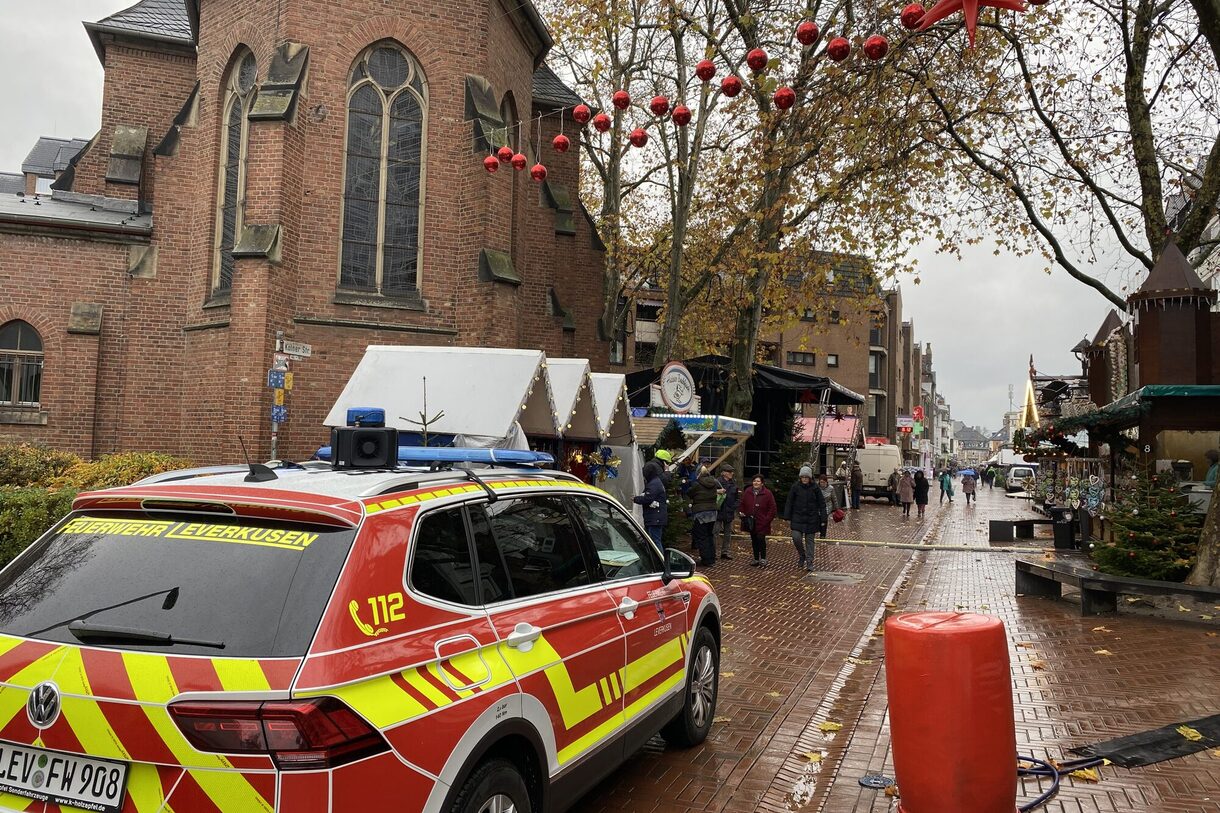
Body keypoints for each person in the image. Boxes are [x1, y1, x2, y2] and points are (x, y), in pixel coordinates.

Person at [784, 465, 827, 572]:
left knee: (810, 541)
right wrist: (787, 516)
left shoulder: (815, 488)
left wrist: (823, 518)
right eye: (802, 477)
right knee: (796, 537)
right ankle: (802, 554)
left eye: (806, 477)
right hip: (797, 517)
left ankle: (809, 561)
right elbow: (789, 501)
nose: (804, 479)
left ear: (810, 478)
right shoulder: (795, 487)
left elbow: (822, 504)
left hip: (812, 519)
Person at [687, 465, 722, 566]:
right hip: (712, 512)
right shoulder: (714, 482)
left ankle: (706, 559)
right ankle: (711, 558)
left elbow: (689, 493)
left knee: (701, 537)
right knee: (709, 535)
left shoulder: (697, 484)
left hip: (701, 513)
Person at [739, 475, 777, 566]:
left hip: (762, 521)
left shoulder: (767, 493)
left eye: (758, 481)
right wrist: (742, 513)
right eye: (754, 481)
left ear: (762, 483)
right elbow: (742, 503)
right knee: (754, 539)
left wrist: (767, 519)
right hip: (750, 521)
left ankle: (763, 558)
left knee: (761, 538)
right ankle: (756, 558)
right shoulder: (748, 491)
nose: (756, 483)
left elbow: (772, 508)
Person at [633, 460, 668, 549]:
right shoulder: (655, 482)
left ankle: (659, 561)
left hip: (655, 518)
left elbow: (648, 498)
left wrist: (636, 499)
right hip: (655, 517)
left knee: (655, 541)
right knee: (654, 540)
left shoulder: (654, 484)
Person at [715, 465, 740, 560]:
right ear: (724, 472)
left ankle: (725, 552)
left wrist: (733, 507)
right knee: (715, 532)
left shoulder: (734, 483)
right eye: (730, 472)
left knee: (728, 534)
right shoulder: (717, 482)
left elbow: (737, 498)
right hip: (719, 511)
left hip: (729, 512)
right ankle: (714, 552)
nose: (732, 473)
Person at [817, 473, 840, 543]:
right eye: (821, 482)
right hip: (818, 506)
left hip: (827, 506)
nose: (822, 484)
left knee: (824, 519)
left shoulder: (831, 488)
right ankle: (820, 530)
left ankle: (823, 534)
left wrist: (837, 508)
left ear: (826, 482)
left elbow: (834, 499)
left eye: (823, 482)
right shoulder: (817, 488)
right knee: (819, 519)